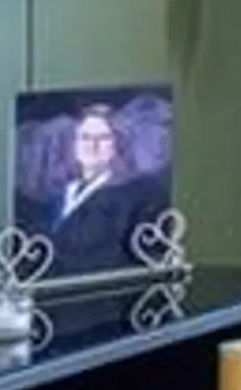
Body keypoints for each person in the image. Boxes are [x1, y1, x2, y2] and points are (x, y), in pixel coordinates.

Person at [28, 104, 165, 279]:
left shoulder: (130, 199)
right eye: (85, 137)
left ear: (116, 144)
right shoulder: (61, 194)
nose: (92, 145)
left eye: (103, 138)